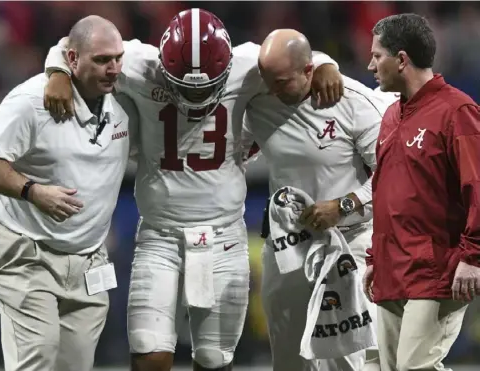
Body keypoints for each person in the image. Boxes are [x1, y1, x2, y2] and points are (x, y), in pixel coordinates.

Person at [42, 9, 344, 371]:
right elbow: (69, 46)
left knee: (215, 359)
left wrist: (327, 65)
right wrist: (58, 72)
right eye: (184, 85)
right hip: (160, 235)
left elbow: (298, 56)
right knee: (149, 354)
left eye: (206, 86)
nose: (195, 94)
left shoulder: (247, 64)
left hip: (224, 236)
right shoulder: (140, 61)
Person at [0, 15, 138, 371]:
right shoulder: (32, 100)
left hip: (88, 260)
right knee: (38, 358)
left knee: (74, 365)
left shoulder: (127, 93)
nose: (113, 68)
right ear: (73, 59)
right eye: (101, 60)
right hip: (25, 249)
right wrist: (33, 191)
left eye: (117, 58)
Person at [242, 29, 392, 371]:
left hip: (350, 243)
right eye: (268, 81)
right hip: (288, 247)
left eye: (281, 82)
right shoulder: (261, 100)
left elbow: (393, 176)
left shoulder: (353, 102)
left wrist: (344, 206)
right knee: (289, 358)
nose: (273, 90)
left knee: (346, 356)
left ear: (308, 71)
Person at [363, 13, 480, 371]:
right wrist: (374, 258)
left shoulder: (456, 111)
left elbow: (477, 186)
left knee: (416, 367)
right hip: (392, 268)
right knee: (386, 368)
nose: (370, 65)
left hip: (436, 271)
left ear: (401, 60)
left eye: (377, 56)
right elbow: (386, 192)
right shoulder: (391, 116)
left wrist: (473, 257)